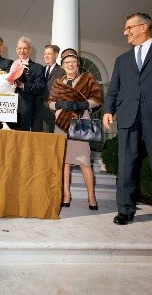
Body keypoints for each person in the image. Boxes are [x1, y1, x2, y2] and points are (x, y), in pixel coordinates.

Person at [103, 12, 152, 234]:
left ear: (143, 27)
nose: (125, 32)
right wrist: (108, 110)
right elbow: (113, 89)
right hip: (128, 114)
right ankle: (125, 210)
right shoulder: (122, 60)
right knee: (125, 163)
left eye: (129, 28)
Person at [49, 48, 103, 210]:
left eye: (73, 62)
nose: (70, 64)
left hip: (80, 123)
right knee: (64, 161)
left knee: (84, 161)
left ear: (77, 64)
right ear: (63, 65)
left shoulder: (88, 79)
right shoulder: (58, 82)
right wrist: (59, 104)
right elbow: (50, 102)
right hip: (61, 124)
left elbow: (97, 99)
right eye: (67, 62)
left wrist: (84, 104)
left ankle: (91, 197)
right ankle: (66, 195)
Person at [13, 36, 45, 131]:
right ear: (16, 50)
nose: (22, 50)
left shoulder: (37, 68)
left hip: (25, 110)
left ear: (30, 50)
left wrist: (23, 85)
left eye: (25, 48)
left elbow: (40, 88)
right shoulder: (10, 65)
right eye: (20, 48)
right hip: (8, 108)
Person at [32, 44, 65, 132]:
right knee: (35, 140)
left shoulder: (62, 72)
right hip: (36, 111)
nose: (46, 56)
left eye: (49, 54)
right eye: (45, 54)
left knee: (47, 141)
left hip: (50, 112)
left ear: (56, 55)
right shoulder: (40, 70)